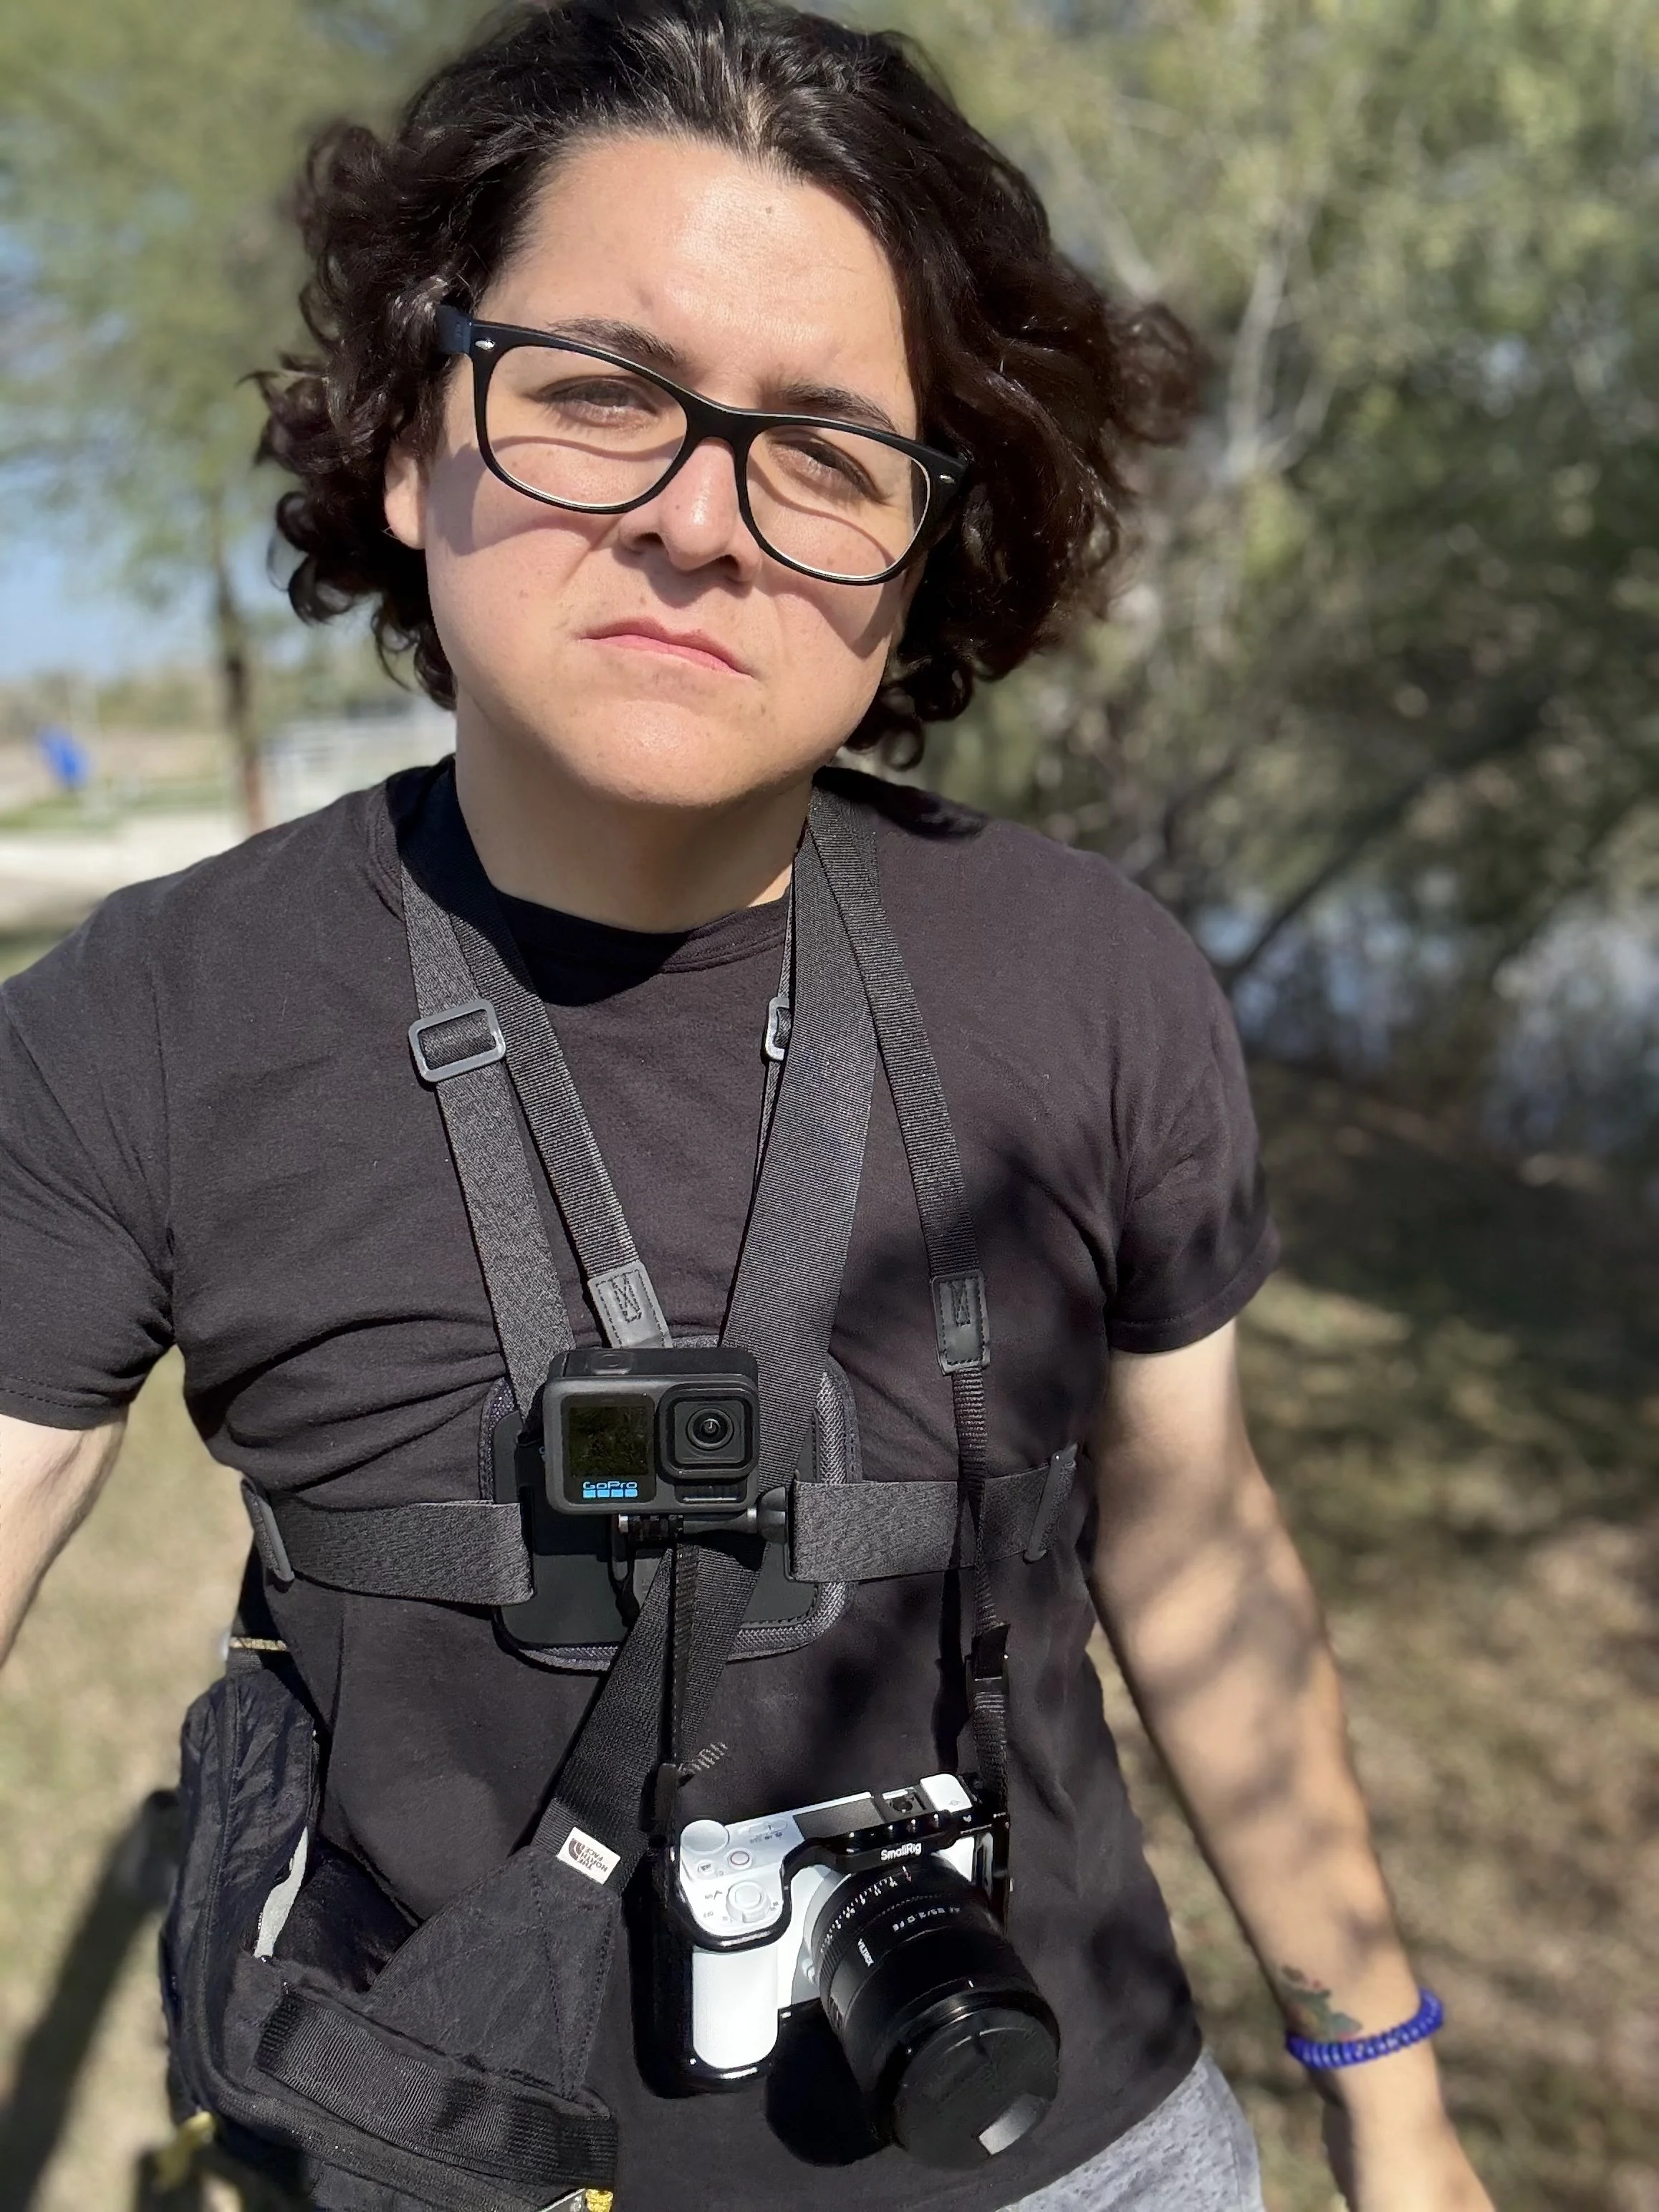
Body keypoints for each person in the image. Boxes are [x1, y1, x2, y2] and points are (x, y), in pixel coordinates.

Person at [0, 3, 1496, 2208]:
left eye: (823, 450)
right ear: (416, 445)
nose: (704, 522)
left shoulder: (1092, 982)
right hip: (425, 2148)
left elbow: (1193, 1555)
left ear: (917, 554)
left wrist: (1386, 2089)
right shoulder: (148, 1019)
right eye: (600, 392)